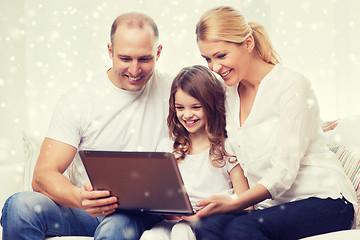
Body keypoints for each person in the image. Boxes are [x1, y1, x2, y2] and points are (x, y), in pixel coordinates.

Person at [189, 6, 358, 240]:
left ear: (248, 43)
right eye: (207, 58)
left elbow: (283, 172)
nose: (215, 67)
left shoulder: (292, 85)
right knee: (208, 226)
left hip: (325, 200)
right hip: (271, 207)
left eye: (221, 55)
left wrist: (235, 202)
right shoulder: (229, 95)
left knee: (242, 229)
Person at [1, 12, 173, 240]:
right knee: (19, 207)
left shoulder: (176, 92)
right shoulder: (79, 100)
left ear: (158, 52)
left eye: (144, 59)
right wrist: (80, 198)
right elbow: (42, 175)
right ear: (110, 51)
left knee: (115, 228)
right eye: (125, 59)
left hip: (141, 214)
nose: (134, 70)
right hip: (87, 212)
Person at [140, 65, 250, 240]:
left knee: (181, 232)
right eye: (180, 107)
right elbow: (159, 196)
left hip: (208, 221)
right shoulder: (167, 147)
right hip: (174, 220)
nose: (187, 115)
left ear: (211, 106)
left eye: (196, 107)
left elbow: (246, 203)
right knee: (150, 236)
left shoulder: (226, 147)